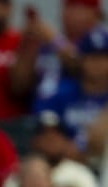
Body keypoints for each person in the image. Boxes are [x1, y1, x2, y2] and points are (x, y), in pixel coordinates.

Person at [38, 24, 108, 159]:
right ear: (81, 60)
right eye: (92, 57)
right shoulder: (62, 93)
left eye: (103, 58)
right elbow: (44, 134)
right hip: (65, 164)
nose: (97, 64)